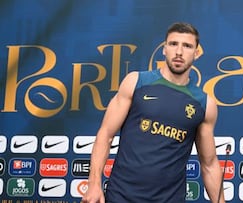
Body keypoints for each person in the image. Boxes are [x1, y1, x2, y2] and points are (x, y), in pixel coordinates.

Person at [81, 22, 225, 203]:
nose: (179, 52)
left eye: (187, 46)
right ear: (164, 49)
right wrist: (94, 184)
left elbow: (209, 164)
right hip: (121, 197)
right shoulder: (136, 82)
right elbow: (105, 135)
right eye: (173, 44)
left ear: (196, 53)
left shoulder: (204, 104)